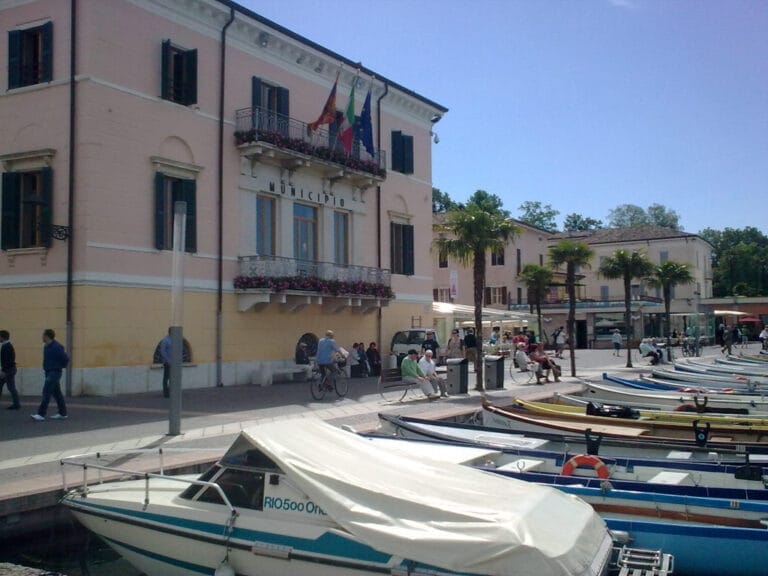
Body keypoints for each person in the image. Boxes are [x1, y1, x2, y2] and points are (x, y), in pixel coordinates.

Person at [32, 329, 69, 421]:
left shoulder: (56, 347)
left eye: (43, 336)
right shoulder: (46, 346)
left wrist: (59, 366)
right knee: (57, 393)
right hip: (49, 371)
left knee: (46, 392)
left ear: (47, 336)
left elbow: (65, 358)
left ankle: (41, 414)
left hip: (54, 372)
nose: (42, 337)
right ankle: (62, 413)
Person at [0, 330, 20, 410]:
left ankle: (16, 404)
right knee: (4, 385)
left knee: (11, 387)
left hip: (9, 370)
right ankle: (16, 404)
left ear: (2, 337)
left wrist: (3, 371)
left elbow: (8, 360)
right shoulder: (7, 345)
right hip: (10, 369)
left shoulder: (7, 346)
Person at [160, 328, 172, 398]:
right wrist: (168, 361)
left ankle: (171, 391)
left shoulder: (173, 340)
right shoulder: (165, 340)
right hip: (167, 363)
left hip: (174, 363)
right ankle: (166, 393)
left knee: (172, 378)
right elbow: (163, 352)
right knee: (166, 378)